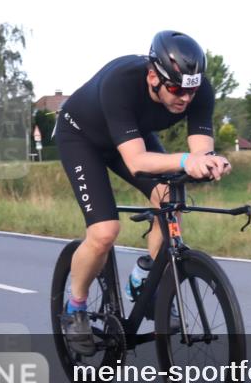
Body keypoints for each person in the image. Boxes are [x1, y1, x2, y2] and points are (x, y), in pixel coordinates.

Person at [54, 30, 232, 354]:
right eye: (176, 89)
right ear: (153, 77)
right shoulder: (121, 83)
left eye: (191, 91)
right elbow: (136, 162)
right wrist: (185, 160)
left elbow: (201, 150)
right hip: (82, 138)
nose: (185, 98)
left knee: (169, 198)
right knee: (104, 232)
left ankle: (146, 279)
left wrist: (211, 162)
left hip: (131, 135)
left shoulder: (198, 89)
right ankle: (74, 307)